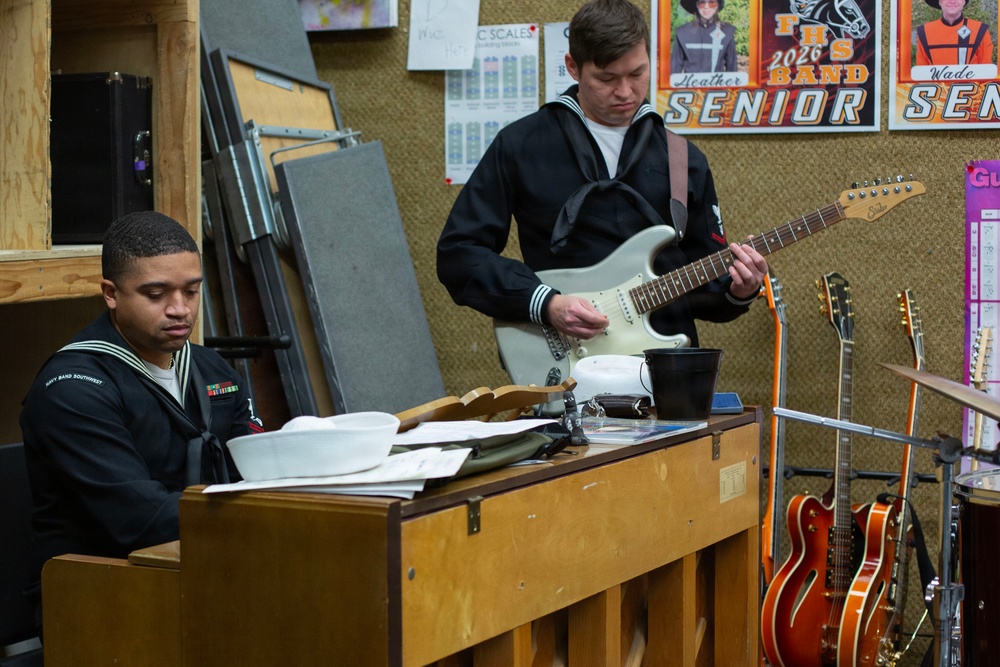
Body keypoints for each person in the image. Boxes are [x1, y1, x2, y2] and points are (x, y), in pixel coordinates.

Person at [437, 0, 766, 361]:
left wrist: (739, 289)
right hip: (566, 371)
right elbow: (459, 254)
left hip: (666, 372)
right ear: (573, 68)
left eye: (637, 74)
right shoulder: (520, 145)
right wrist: (544, 302)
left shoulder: (683, 160)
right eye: (607, 78)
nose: (625, 92)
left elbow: (707, 293)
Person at [20, 211, 262, 628]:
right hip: (102, 593)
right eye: (156, 294)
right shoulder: (73, 388)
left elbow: (259, 466)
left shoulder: (211, 369)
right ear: (111, 293)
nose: (179, 309)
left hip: (204, 562)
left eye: (191, 291)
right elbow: (142, 521)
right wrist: (264, 512)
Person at [915, 0, 994, 67]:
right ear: (939, 2)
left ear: (964, 2)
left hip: (972, 85)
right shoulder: (925, 31)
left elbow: (985, 72)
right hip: (936, 85)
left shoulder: (980, 30)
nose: (952, 1)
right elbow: (921, 74)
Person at [671, 0, 738, 74]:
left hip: (716, 84)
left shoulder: (726, 32)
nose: (706, 7)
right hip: (690, 84)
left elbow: (732, 68)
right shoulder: (683, 32)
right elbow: (675, 68)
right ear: (697, 5)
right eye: (702, 3)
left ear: (717, 6)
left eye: (712, 3)